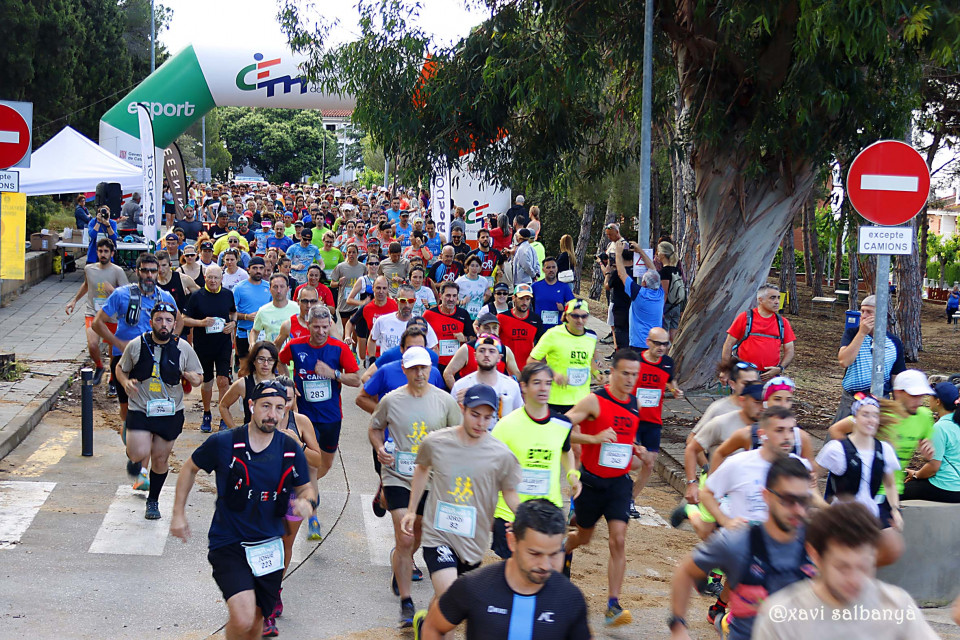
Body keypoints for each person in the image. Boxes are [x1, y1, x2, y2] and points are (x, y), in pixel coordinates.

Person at [170, 380, 316, 640]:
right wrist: (178, 513)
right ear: (251, 406)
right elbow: (190, 468)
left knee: (257, 619)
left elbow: (306, 487)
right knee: (243, 617)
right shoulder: (224, 442)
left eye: (279, 408)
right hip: (230, 542)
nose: (272, 414)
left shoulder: (290, 448)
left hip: (269, 545)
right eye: (266, 406)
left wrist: (307, 502)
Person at [401, 383, 522, 625]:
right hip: (439, 535)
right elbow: (422, 468)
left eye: (487, 417)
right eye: (475, 414)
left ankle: (426, 625)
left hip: (472, 540)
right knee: (451, 597)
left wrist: (525, 520)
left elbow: (509, 491)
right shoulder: (436, 441)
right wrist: (412, 511)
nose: (480, 423)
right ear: (462, 409)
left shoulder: (501, 454)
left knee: (444, 598)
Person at [669, 456, 814, 640]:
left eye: (803, 500)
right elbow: (685, 571)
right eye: (788, 500)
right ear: (766, 496)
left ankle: (721, 612)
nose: (798, 510)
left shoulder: (819, 543)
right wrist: (678, 628)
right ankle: (691, 511)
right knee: (705, 532)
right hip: (729, 513)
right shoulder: (739, 541)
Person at [369, 346, 462, 627]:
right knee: (406, 535)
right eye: (414, 368)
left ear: (430, 369)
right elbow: (375, 427)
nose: (420, 373)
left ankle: (401, 563)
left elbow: (459, 435)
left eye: (424, 368)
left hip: (432, 480)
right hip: (397, 476)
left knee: (416, 533)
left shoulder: (445, 401)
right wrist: (379, 448)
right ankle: (406, 603)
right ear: (404, 370)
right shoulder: (391, 400)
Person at [753, 502, 938, 639]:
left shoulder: (896, 605)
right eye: (842, 568)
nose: (855, 579)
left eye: (864, 567)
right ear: (815, 556)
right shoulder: (781, 617)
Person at [420, 500, 591, 640]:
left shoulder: (570, 599)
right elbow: (433, 627)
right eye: (535, 553)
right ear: (512, 541)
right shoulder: (474, 587)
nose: (545, 565)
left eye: (554, 554)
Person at [562, 349, 644, 627]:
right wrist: (593, 438)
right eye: (626, 373)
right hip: (592, 482)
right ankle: (563, 547)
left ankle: (613, 604)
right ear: (613, 372)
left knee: (618, 539)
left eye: (635, 374)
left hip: (619, 483)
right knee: (583, 537)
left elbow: (624, 440)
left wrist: (636, 450)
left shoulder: (634, 403)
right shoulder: (594, 401)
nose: (631, 379)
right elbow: (561, 428)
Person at [277, 306, 361, 538]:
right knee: (311, 465)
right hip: (305, 416)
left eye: (325, 327)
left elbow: (356, 379)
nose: (321, 332)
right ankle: (312, 515)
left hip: (331, 416)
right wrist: (289, 384)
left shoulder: (339, 348)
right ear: (308, 325)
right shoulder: (296, 346)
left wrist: (333, 374)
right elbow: (280, 361)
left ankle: (308, 487)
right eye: (316, 327)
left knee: (324, 464)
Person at [114, 302, 203, 518]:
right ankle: (136, 456)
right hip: (141, 409)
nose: (164, 324)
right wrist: (125, 382)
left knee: (160, 459)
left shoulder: (183, 347)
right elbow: (120, 368)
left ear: (174, 324)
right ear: (151, 321)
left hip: (169, 412)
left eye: (168, 320)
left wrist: (192, 377)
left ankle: (153, 500)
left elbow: (198, 377)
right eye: (159, 319)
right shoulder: (137, 344)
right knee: (138, 453)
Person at [829, 369, 935, 538]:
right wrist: (854, 459)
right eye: (913, 395)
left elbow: (930, 456)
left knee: (887, 546)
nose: (919, 401)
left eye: (921, 395)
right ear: (898, 392)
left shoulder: (924, 416)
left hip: (891, 492)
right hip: (861, 490)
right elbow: (836, 429)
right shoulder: (878, 413)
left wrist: (928, 454)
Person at [490, 363, 581, 559]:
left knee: (551, 570)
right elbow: (490, 470)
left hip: (549, 513)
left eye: (548, 383)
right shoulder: (505, 426)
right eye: (537, 383)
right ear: (523, 386)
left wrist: (572, 475)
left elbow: (566, 451)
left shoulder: (562, 424)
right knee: (516, 573)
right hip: (511, 515)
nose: (543, 388)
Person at [93, 253, 179, 455]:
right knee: (127, 410)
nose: (149, 275)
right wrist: (118, 343)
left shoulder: (165, 297)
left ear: (159, 272)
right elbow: (97, 323)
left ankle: (145, 447)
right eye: (145, 271)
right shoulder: (121, 294)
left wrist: (170, 343)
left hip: (154, 360)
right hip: (125, 360)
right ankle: (132, 443)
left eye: (153, 271)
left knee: (153, 407)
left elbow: (179, 321)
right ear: (138, 272)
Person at [264, 375, 325, 637]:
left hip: (292, 494)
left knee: (284, 546)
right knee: (264, 544)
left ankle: (274, 589)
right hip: (265, 494)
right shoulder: (261, 420)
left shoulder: (300, 423)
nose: (281, 406)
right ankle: (265, 600)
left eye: (286, 400)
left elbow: (317, 460)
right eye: (276, 400)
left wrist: (297, 443)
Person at [816, 393, 904, 566]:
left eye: (875, 416)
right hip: (842, 517)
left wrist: (895, 509)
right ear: (855, 418)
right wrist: (823, 507)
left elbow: (890, 484)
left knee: (871, 557)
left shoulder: (884, 450)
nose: (871, 420)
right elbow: (811, 479)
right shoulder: (836, 449)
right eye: (865, 415)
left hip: (869, 516)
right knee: (842, 560)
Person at [630, 327, 682, 510]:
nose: (661, 347)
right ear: (648, 342)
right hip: (633, 418)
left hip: (653, 421)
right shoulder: (635, 361)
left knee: (649, 463)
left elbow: (670, 380)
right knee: (633, 461)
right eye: (657, 343)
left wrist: (674, 389)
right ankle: (618, 487)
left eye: (665, 344)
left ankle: (630, 500)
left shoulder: (667, 362)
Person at [65, 237, 128, 385]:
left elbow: (127, 294)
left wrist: (113, 291)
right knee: (92, 344)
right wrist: (74, 301)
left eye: (106, 251)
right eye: (100, 251)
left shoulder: (118, 271)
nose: (103, 254)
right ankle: (99, 366)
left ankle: (112, 380)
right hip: (93, 312)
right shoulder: (89, 269)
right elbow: (87, 285)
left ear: (112, 253)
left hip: (112, 315)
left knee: (113, 352)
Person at [183, 265, 237, 433]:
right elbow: (184, 319)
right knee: (207, 382)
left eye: (216, 278)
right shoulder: (196, 296)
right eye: (210, 277)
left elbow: (233, 313)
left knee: (223, 380)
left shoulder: (227, 294)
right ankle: (206, 413)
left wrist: (233, 323)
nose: (213, 281)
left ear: (221, 279)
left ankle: (223, 415)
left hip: (223, 344)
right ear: (205, 278)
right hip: (203, 345)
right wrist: (201, 323)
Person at [835, 294, 906, 418]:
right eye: (862, 311)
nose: (864, 316)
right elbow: (844, 361)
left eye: (869, 312)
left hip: (881, 401)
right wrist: (862, 333)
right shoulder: (852, 334)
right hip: (852, 399)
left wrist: (898, 408)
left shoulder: (894, 342)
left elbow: (896, 378)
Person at [528, 299, 602, 413]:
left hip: (582, 400)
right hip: (556, 400)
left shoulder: (591, 336)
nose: (580, 320)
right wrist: (553, 374)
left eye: (584, 316)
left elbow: (589, 358)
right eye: (575, 316)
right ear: (567, 316)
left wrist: (597, 373)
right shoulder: (553, 334)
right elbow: (532, 360)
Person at [722, 283, 795, 381]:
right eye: (772, 298)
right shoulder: (745, 318)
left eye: (778, 298)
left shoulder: (783, 323)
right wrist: (725, 370)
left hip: (769, 378)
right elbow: (728, 344)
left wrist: (780, 368)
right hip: (743, 376)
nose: (777, 302)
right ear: (760, 300)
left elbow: (789, 350)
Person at [450, 334, 523, 431]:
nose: (486, 355)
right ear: (475, 355)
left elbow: (519, 419)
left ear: (499, 357)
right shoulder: (460, 386)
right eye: (482, 350)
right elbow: (452, 422)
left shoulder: (511, 386)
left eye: (492, 351)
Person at [903, 381, 960, 502]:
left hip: (947, 487)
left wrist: (915, 475)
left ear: (938, 401)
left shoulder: (940, 428)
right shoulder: (956, 422)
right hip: (956, 485)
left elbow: (933, 468)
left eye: (930, 396)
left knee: (895, 491)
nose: (928, 399)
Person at [613, 239, 663, 349]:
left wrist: (618, 254)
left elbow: (622, 274)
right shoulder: (660, 293)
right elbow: (653, 270)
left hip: (638, 344)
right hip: (655, 344)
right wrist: (640, 250)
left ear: (644, 283)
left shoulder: (639, 294)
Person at [219, 341, 280, 430]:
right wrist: (235, 431)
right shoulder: (243, 384)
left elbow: (293, 410)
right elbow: (223, 406)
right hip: (251, 435)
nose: (265, 364)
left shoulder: (282, 383)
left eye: (270, 360)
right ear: (253, 360)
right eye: (261, 359)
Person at [369, 284, 438, 358]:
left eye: (410, 301)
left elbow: (434, 347)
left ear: (415, 301)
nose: (407, 305)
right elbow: (372, 340)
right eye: (403, 300)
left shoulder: (421, 324)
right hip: (388, 364)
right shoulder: (382, 321)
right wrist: (372, 359)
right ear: (396, 300)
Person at [424, 282, 476, 372]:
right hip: (436, 364)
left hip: (457, 365)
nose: (451, 299)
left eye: (454, 296)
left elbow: (474, 339)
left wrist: (465, 338)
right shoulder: (429, 315)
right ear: (440, 296)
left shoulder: (463, 314)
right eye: (448, 295)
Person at [232, 257, 272, 372]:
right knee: (245, 369)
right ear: (248, 269)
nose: (258, 271)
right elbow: (230, 312)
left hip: (264, 334)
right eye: (255, 268)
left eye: (261, 268)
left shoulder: (269, 287)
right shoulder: (239, 288)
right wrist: (246, 317)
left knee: (264, 368)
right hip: (244, 333)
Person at [496, 284, 541, 369]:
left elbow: (541, 342)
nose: (524, 302)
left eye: (527, 299)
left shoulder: (535, 319)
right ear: (513, 298)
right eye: (521, 298)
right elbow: (493, 340)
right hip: (506, 368)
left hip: (527, 368)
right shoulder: (501, 317)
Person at [252, 274, 298, 343]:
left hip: (292, 349)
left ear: (288, 289)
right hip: (272, 349)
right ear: (270, 289)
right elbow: (255, 331)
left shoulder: (297, 308)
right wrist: (252, 343)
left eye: (282, 287)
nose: (279, 291)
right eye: (275, 287)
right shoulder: (263, 311)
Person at [532, 257, 574, 332]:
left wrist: (564, 309)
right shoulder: (535, 286)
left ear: (557, 269)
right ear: (543, 270)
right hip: (539, 329)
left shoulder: (564, 287)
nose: (551, 270)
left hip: (557, 330)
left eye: (553, 267)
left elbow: (574, 306)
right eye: (548, 267)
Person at [330, 244, 365, 330]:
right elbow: (332, 284)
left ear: (357, 253)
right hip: (344, 302)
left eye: (353, 252)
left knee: (355, 328)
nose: (351, 254)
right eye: (349, 252)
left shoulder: (362, 267)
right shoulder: (340, 267)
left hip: (357, 302)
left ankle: (354, 339)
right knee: (346, 328)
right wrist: (338, 283)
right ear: (346, 254)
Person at [658, 242, 684, 341]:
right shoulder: (677, 270)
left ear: (663, 254)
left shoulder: (664, 272)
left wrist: (661, 309)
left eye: (658, 251)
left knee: (664, 335)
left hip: (667, 306)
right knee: (673, 333)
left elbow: (665, 292)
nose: (657, 254)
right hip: (676, 305)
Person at [455, 255, 491, 320]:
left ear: (480, 267)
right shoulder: (459, 281)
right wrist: (461, 302)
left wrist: (487, 297)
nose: (474, 268)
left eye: (477, 266)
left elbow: (483, 299)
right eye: (472, 265)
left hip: (478, 316)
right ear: (467, 266)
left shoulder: (484, 281)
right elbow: (452, 300)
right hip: (463, 315)